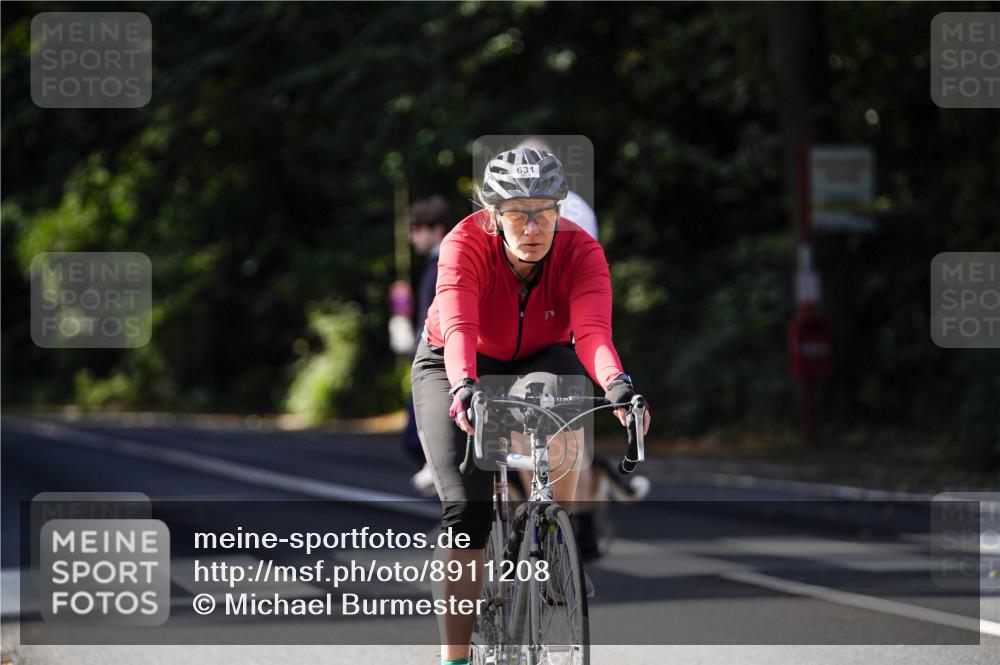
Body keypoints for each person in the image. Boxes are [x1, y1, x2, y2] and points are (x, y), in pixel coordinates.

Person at [410, 147, 651, 665]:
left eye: (545, 211)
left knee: (566, 400)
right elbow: (458, 327)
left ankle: (550, 532)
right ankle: (455, 658)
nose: (532, 225)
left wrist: (619, 387)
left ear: (560, 212)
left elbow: (591, 332)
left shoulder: (581, 252)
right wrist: (463, 387)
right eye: (517, 212)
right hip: (455, 361)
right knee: (467, 512)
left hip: (540, 352)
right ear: (493, 214)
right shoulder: (463, 244)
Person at [401, 196, 451, 493]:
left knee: (415, 435)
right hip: (429, 355)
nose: (412, 236)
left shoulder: (446, 263)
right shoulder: (433, 264)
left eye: (418, 228)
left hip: (440, 360)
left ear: (437, 229)